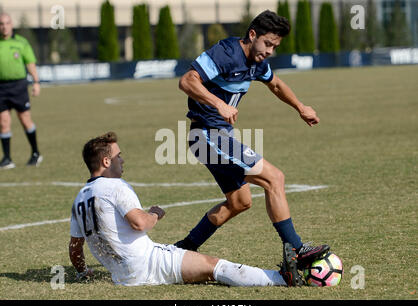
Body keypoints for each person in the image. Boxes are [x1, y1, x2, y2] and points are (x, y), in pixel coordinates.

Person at [174, 10, 329, 272]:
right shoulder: (226, 53)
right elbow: (187, 80)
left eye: (275, 47)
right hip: (207, 135)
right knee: (274, 178)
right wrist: (218, 103)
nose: (269, 51)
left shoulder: (257, 63)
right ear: (252, 34)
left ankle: (181, 250)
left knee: (239, 202)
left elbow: (276, 85)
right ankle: (296, 249)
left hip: (218, 136)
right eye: (267, 43)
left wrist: (300, 107)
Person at [69, 132, 303, 287]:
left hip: (122, 277)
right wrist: (155, 214)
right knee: (215, 266)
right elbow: (139, 223)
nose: (123, 160)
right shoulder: (115, 186)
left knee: (205, 272)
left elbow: (75, 248)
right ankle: (282, 279)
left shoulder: (79, 199)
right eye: (119, 156)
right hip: (150, 262)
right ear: (106, 162)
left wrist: (83, 272)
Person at [0, 12, 42, 169]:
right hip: (1, 88)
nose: (4, 27)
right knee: (3, 123)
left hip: (18, 86)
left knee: (25, 120)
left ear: (11, 25)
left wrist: (36, 82)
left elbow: (30, 63)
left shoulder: (21, 43)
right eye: (1, 24)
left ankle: (36, 153)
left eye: (7, 23)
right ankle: (7, 158)